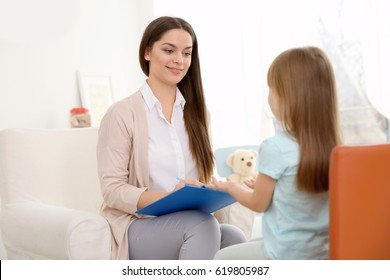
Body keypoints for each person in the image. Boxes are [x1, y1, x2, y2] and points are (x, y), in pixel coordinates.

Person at [96, 16, 246, 260]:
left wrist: (220, 188)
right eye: (169, 50)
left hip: (189, 221)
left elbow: (202, 177)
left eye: (187, 53)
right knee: (203, 226)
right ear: (147, 52)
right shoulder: (122, 113)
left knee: (234, 238)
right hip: (138, 226)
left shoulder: (199, 115)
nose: (179, 60)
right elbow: (112, 190)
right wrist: (167, 199)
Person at [207, 46, 342, 259]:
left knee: (222, 259)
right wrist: (268, 187)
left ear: (289, 96)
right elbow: (300, 197)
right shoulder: (334, 148)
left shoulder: (275, 146)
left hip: (284, 255)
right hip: (321, 253)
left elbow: (257, 203)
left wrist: (230, 186)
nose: (269, 97)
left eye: (272, 89)